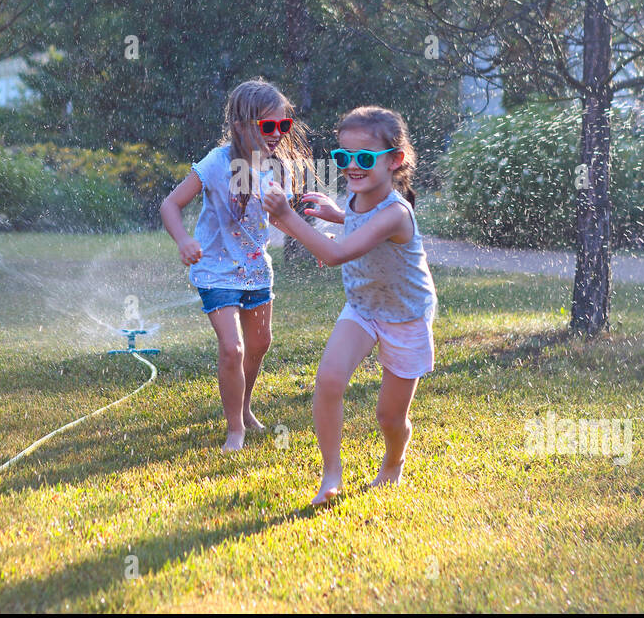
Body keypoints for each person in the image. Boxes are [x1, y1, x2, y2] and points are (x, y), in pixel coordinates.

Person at [263, 106, 436, 504]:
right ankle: (331, 476)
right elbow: (359, 224)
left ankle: (394, 461)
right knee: (328, 381)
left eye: (363, 159)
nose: (350, 167)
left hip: (404, 315)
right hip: (361, 306)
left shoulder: (396, 212)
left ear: (395, 161)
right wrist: (337, 215)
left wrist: (289, 217)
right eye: (342, 158)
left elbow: (338, 255)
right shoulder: (357, 198)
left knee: (389, 417)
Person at [159, 79, 311, 452]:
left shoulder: (278, 168)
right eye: (267, 126)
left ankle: (244, 408)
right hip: (215, 269)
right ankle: (234, 430)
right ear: (241, 125)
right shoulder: (216, 163)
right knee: (233, 348)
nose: (277, 134)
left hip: (256, 269)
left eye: (283, 126)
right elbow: (170, 205)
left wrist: (315, 239)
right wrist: (184, 240)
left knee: (261, 342)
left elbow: (277, 220)